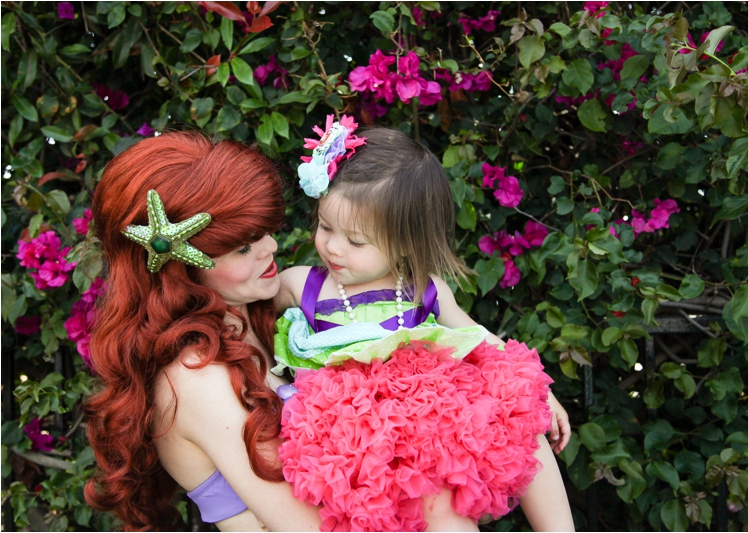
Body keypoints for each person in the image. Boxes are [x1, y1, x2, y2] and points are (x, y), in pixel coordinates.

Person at [273, 117, 574, 531]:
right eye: (325, 226)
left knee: (517, 410)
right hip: (355, 443)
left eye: (355, 241)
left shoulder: (422, 290)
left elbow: (479, 338)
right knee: (429, 502)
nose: (332, 247)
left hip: (430, 431)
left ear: (404, 244)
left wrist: (541, 392)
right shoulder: (301, 285)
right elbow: (243, 315)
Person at [82, 131, 324, 531]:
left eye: (264, 229)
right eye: (243, 247)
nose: (270, 247)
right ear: (178, 267)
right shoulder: (198, 378)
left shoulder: (258, 314)